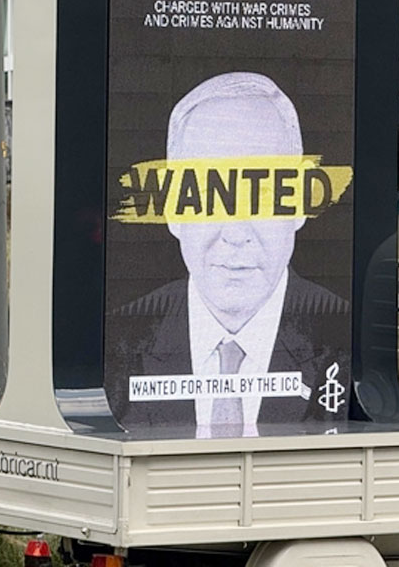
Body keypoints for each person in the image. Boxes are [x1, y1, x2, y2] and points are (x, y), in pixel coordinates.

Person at [107, 72, 350, 437]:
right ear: (172, 210)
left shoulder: (348, 341)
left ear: (301, 204)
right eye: (209, 195)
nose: (235, 233)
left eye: (262, 193)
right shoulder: (116, 347)